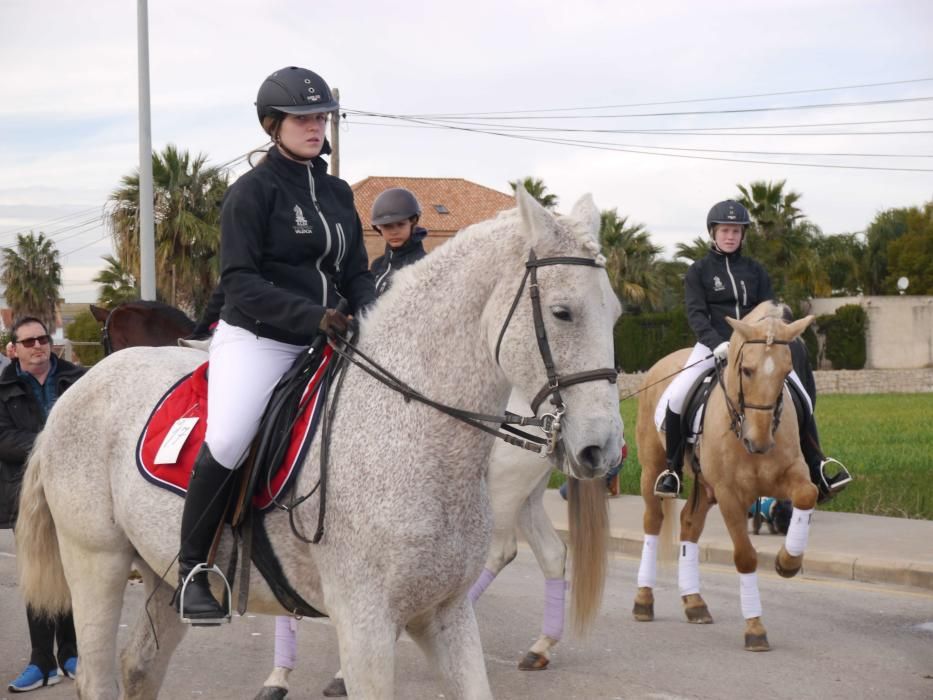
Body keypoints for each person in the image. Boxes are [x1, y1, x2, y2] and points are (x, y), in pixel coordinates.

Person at [174, 66, 376, 623]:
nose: (315, 126)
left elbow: (356, 271)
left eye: (321, 117)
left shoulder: (336, 192)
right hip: (259, 339)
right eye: (302, 118)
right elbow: (239, 280)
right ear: (273, 125)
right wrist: (313, 315)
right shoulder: (251, 193)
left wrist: (377, 314)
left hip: (330, 334)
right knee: (233, 434)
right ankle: (193, 568)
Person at [256, 188, 430, 700]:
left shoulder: (421, 271)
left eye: (399, 224)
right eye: (384, 225)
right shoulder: (372, 269)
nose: (392, 231)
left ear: (416, 223)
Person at [653, 200, 851, 500]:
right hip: (714, 345)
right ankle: (672, 471)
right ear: (713, 233)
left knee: (801, 399)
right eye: (725, 231)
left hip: (757, 349)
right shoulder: (699, 271)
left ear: (743, 235)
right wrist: (715, 342)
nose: (730, 236)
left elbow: (770, 310)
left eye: (736, 231)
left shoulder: (755, 271)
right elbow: (695, 313)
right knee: (677, 396)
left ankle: (819, 465)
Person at [0, 317, 84, 692]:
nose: (38, 346)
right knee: (38, 575)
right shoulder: (2, 388)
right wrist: (51, 444)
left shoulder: (76, 379)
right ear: (13, 349)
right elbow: (3, 438)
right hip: (27, 493)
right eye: (29, 341)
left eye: (43, 339)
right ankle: (41, 662)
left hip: (77, 490)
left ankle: (70, 654)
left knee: (72, 572)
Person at [369, 188, 428, 295]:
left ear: (413, 222)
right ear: (379, 228)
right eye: (387, 226)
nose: (394, 232)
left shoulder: (424, 266)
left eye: (400, 224)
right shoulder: (377, 265)